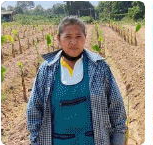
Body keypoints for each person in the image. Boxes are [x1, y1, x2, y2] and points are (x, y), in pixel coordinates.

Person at [22, 17, 128, 145]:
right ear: (58, 39)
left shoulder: (99, 67)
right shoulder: (46, 70)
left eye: (78, 36)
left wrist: (119, 139)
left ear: (85, 37)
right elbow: (34, 110)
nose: (73, 42)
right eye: (68, 37)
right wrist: (35, 141)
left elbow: (116, 108)